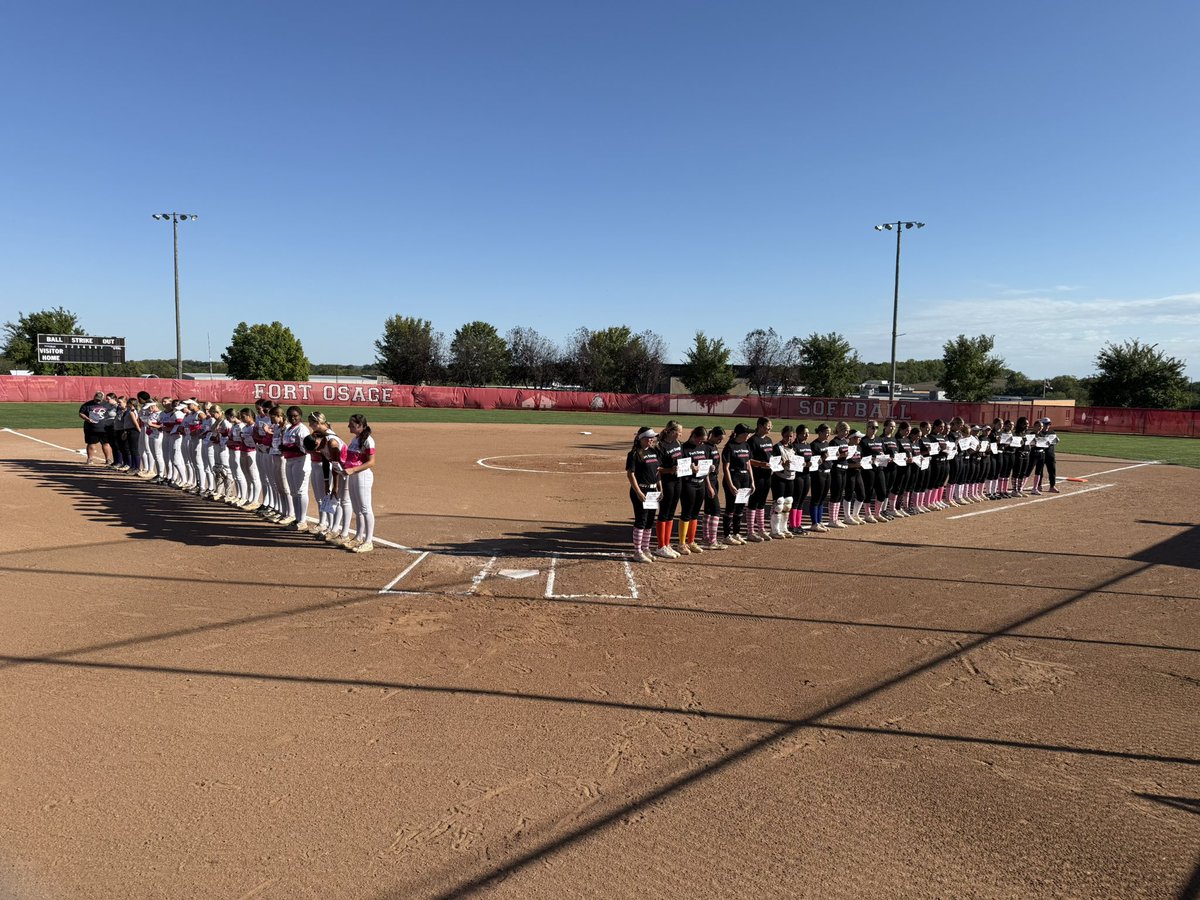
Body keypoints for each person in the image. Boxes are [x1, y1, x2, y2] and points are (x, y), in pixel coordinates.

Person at [626, 427, 662, 563]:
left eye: (653, 438)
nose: (652, 440)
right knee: (641, 520)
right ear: (641, 439)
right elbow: (630, 474)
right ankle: (637, 551)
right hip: (641, 491)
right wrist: (639, 492)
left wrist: (660, 488)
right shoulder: (635, 454)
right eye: (649, 438)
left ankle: (646, 548)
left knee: (649, 521)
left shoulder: (654, 452)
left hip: (653, 492)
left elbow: (657, 472)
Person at [343, 414, 376, 552]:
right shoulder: (355, 438)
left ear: (360, 425)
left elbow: (371, 462)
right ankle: (358, 537)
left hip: (362, 476)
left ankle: (368, 541)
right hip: (353, 476)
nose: (349, 426)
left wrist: (353, 469)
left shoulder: (368, 440)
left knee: (365, 508)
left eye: (351, 424)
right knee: (357, 509)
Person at [677, 425, 710, 554]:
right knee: (686, 513)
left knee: (695, 514)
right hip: (688, 484)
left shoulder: (704, 447)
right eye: (700, 440)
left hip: (700, 483)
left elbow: (705, 463)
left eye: (703, 440)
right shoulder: (684, 448)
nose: (701, 442)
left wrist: (709, 468)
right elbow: (681, 468)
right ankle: (681, 543)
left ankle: (691, 541)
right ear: (694, 436)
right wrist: (690, 469)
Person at [654, 421, 684, 557]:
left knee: (671, 512)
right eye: (679, 432)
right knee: (664, 513)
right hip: (666, 483)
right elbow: (657, 469)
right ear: (671, 432)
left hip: (678, 481)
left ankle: (667, 543)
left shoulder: (678, 444)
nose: (680, 434)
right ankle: (661, 546)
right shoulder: (660, 446)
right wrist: (670, 470)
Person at [281, 406, 312, 532]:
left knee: (301, 491)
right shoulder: (288, 429)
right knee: (293, 491)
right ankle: (297, 518)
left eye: (295, 416)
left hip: (301, 461)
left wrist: (287, 447)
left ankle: (302, 520)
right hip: (289, 461)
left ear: (300, 416)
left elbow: (305, 449)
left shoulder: (302, 430)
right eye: (290, 416)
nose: (293, 418)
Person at [721, 424, 753, 544]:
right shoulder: (729, 447)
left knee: (740, 507)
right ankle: (727, 535)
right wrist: (730, 484)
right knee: (731, 507)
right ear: (742, 434)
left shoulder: (746, 445)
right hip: (734, 478)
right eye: (747, 433)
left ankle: (736, 533)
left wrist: (752, 481)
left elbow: (748, 464)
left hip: (745, 478)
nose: (749, 435)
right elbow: (726, 468)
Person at [745, 417, 775, 541]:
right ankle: (750, 531)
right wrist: (761, 464)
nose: (770, 427)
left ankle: (761, 529)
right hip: (757, 475)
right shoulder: (752, 440)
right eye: (768, 425)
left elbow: (771, 456)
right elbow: (748, 460)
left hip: (767, 475)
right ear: (761, 426)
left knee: (762, 502)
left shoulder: (769, 440)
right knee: (753, 502)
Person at [699, 426, 727, 550]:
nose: (720, 441)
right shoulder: (705, 448)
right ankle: (712, 540)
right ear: (713, 435)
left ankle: (706, 538)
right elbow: (703, 469)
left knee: (709, 510)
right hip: (708, 481)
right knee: (716, 510)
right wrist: (709, 486)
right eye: (719, 439)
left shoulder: (713, 447)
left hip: (714, 480)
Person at [769, 426, 797, 538]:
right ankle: (774, 530)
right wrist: (782, 465)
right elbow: (773, 464)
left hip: (791, 478)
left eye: (791, 436)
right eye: (786, 436)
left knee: (788, 503)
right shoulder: (777, 447)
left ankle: (783, 528)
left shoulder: (793, 447)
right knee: (779, 504)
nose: (789, 438)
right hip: (779, 478)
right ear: (782, 435)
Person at [808, 424, 831, 532]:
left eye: (829, 432)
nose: (828, 434)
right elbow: (813, 461)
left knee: (822, 499)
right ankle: (814, 523)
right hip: (818, 473)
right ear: (820, 433)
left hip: (827, 473)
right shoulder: (814, 445)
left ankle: (819, 521)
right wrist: (822, 457)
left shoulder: (827, 443)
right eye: (826, 432)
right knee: (816, 498)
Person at [78, 391, 110, 466]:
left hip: (105, 428)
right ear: (94, 397)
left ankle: (108, 459)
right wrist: (87, 419)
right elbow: (81, 413)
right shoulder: (87, 405)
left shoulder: (107, 404)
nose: (98, 401)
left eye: (99, 399)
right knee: (91, 443)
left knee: (106, 443)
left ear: (103, 398)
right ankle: (90, 459)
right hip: (91, 428)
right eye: (96, 399)